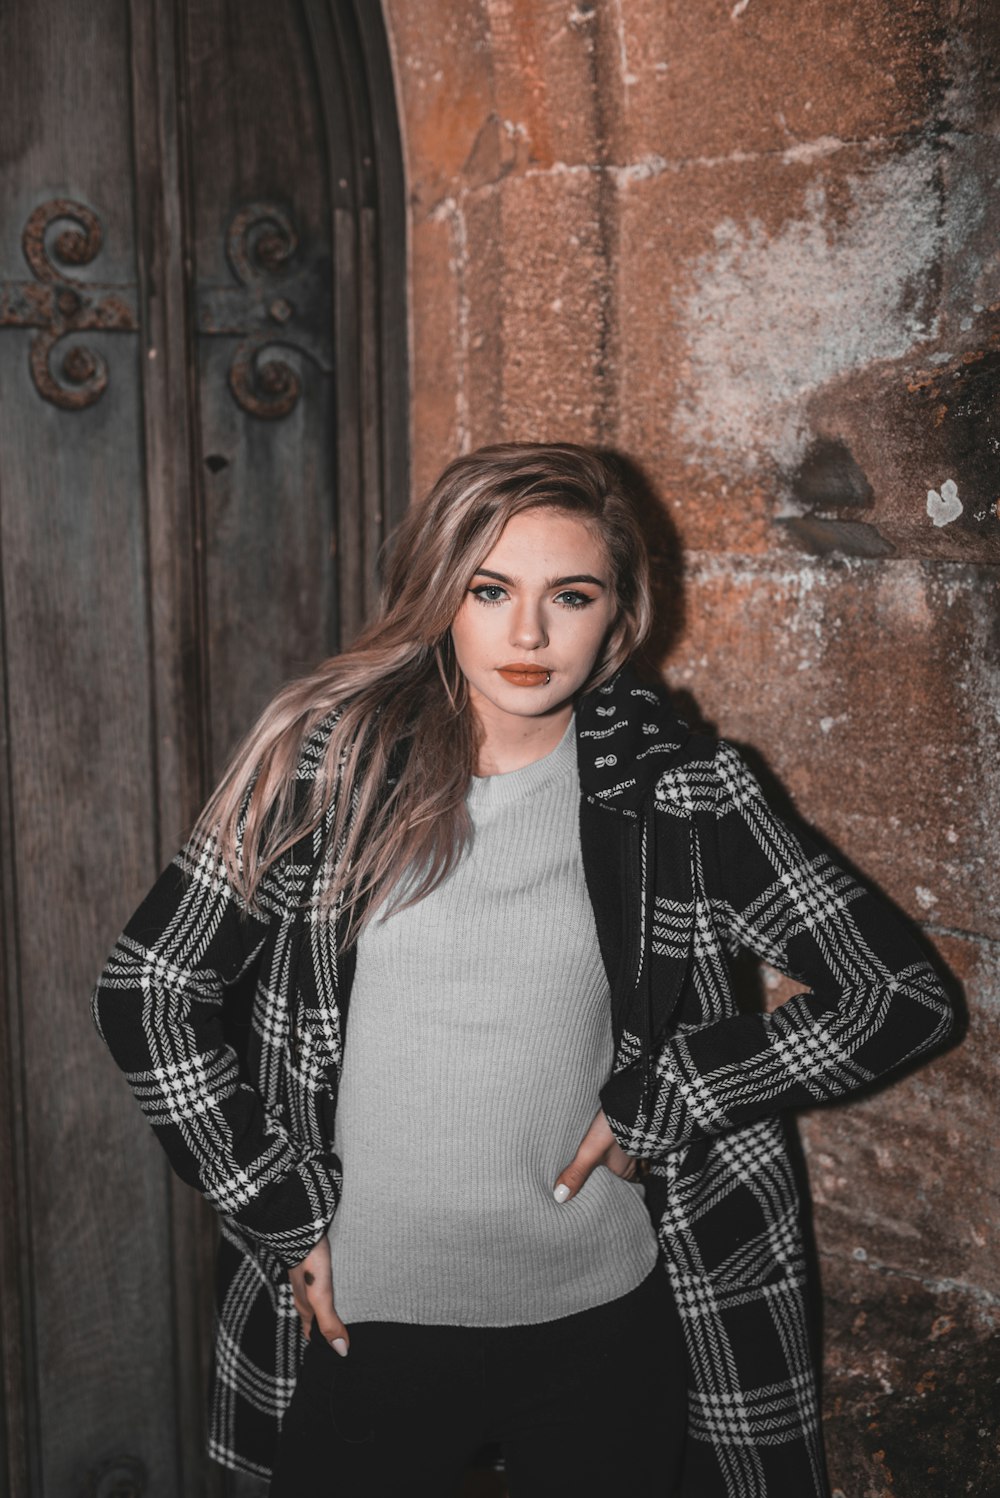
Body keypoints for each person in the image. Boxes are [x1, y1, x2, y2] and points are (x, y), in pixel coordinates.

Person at [91, 442, 953, 1498]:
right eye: (490, 588)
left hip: (605, 1323)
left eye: (571, 595)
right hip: (369, 1323)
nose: (530, 634)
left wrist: (679, 1089)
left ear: (619, 614)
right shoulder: (322, 772)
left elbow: (897, 996)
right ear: (440, 595)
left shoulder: (682, 798)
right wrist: (275, 1202)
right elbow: (149, 986)